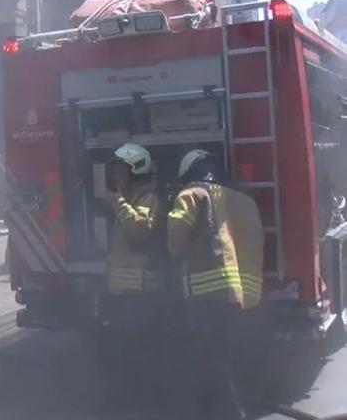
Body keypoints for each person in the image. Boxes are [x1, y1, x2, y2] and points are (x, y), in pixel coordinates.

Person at [167, 149, 264, 420]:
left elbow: (175, 241)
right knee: (228, 354)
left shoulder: (191, 194)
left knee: (211, 358)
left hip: (206, 293)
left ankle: (231, 412)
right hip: (241, 293)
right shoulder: (244, 200)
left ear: (189, 174)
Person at [97, 143, 165, 408]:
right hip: (125, 293)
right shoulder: (131, 197)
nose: (115, 175)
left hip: (141, 294)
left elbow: (141, 229)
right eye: (114, 170)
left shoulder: (148, 197)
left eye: (120, 170)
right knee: (123, 352)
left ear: (137, 169)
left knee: (139, 352)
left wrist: (118, 203)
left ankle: (143, 403)